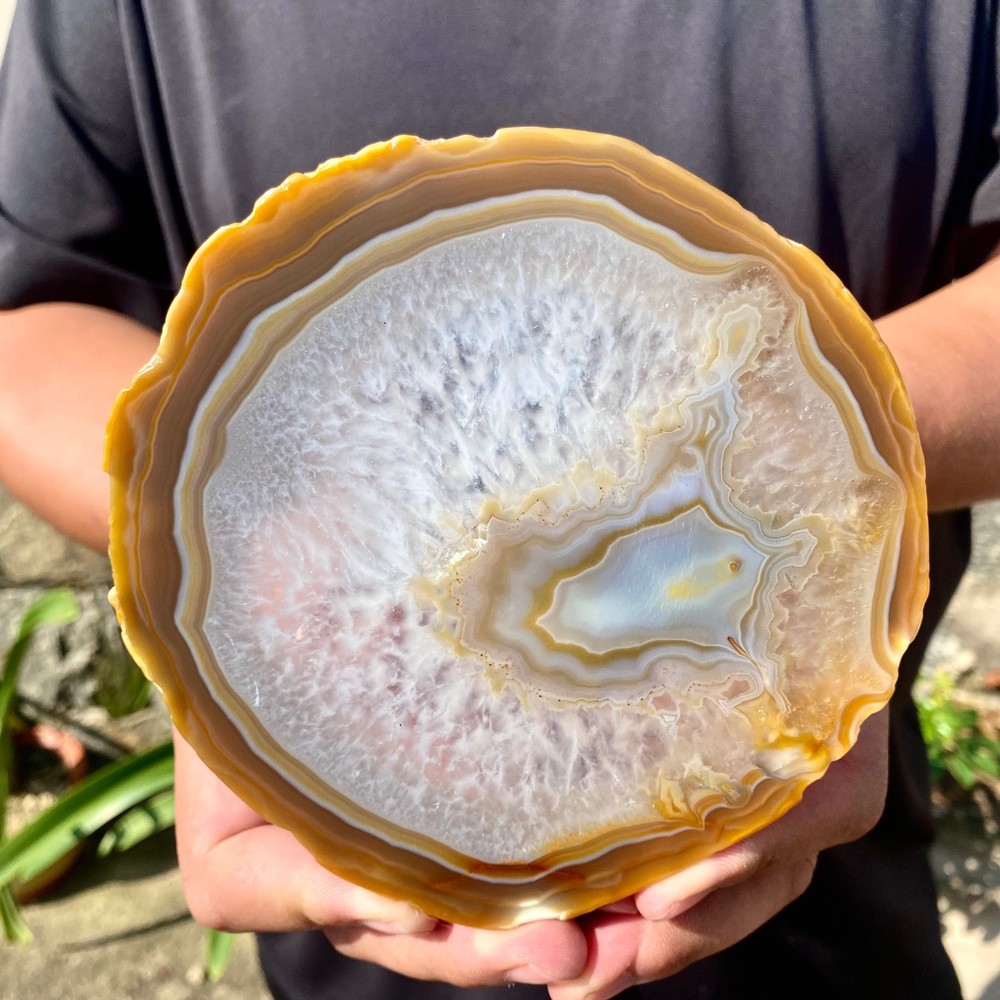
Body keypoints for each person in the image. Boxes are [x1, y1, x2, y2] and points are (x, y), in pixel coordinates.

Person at [1, 2, 998, 998]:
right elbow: (28, 316)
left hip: (824, 922)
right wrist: (227, 573)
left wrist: (824, 461)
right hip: (348, 890)